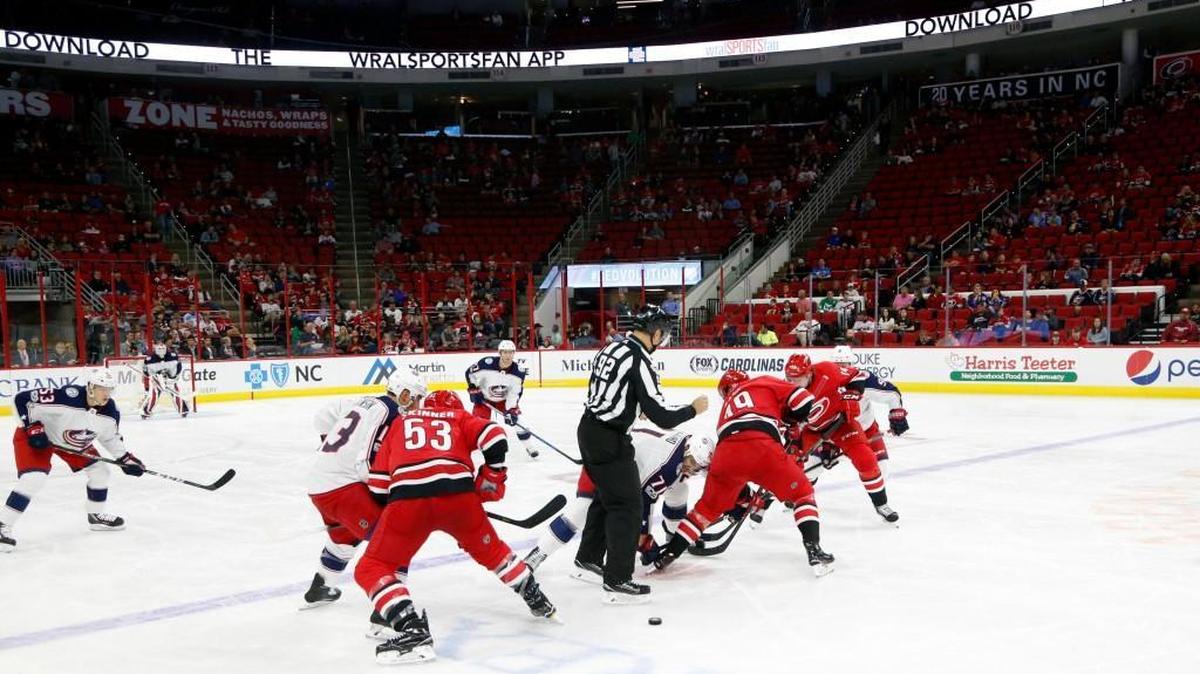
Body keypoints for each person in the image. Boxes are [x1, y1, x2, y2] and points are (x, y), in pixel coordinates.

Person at [354, 390, 556, 665]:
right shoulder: (459, 417)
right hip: (459, 497)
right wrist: (491, 477)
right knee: (493, 552)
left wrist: (405, 502)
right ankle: (536, 598)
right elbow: (495, 436)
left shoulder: (401, 422)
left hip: (408, 501)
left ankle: (412, 629)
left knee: (372, 566)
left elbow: (379, 488)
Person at [576, 305, 707, 603]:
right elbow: (662, 416)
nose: (663, 341)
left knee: (606, 498)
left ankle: (588, 557)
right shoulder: (640, 360)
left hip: (588, 430)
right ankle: (618, 580)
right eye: (664, 335)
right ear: (656, 333)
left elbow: (611, 389)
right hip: (610, 439)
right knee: (627, 506)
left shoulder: (611, 348)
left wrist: (634, 406)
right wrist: (692, 409)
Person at [652, 369, 835, 576]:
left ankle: (669, 554)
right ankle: (813, 548)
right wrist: (796, 420)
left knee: (705, 510)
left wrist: (739, 496)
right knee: (802, 493)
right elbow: (804, 399)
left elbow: (740, 450)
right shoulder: (762, 381)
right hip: (763, 447)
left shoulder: (727, 408)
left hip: (725, 454)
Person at [302, 370, 426, 627]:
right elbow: (365, 465)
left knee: (346, 536)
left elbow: (323, 416)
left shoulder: (364, 401)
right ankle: (387, 616)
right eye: (416, 399)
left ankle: (321, 586)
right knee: (398, 537)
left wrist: (331, 453)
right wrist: (394, 490)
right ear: (404, 395)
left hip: (319, 482)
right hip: (342, 487)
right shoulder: (390, 413)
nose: (418, 406)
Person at [524, 430, 714, 575]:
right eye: (692, 463)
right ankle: (538, 554)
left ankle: (673, 537)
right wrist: (644, 540)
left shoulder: (686, 445)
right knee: (582, 510)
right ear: (687, 450)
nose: (692, 469)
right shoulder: (666, 465)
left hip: (627, 461)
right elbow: (642, 502)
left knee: (680, 488)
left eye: (697, 467)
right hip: (606, 461)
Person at [0, 369, 145, 552]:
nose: (106, 394)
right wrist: (32, 428)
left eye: (109, 389)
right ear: (90, 387)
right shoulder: (67, 397)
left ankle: (96, 516)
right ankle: (2, 525)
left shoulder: (111, 412)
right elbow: (21, 399)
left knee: (100, 471)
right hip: (38, 437)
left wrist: (125, 459)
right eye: (102, 388)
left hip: (71, 442)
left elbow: (110, 438)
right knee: (33, 478)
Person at [784, 354, 899, 523]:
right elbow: (790, 426)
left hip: (842, 425)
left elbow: (857, 376)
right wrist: (794, 444)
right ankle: (795, 495)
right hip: (814, 431)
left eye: (797, 379)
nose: (792, 383)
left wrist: (852, 394)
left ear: (809, 374)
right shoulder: (785, 391)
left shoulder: (827, 370)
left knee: (866, 460)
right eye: (789, 378)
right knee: (806, 467)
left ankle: (881, 504)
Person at [805, 348, 907, 476]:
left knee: (880, 471)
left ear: (851, 364)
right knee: (810, 472)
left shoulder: (863, 379)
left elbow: (892, 394)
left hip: (866, 430)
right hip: (832, 433)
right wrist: (824, 446)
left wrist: (897, 415)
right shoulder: (823, 382)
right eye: (837, 365)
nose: (842, 369)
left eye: (844, 365)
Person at [465, 340, 536, 459]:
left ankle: (529, 447)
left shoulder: (518, 372)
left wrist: (511, 410)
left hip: (504, 400)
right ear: (500, 353)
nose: (508, 355)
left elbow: (514, 393)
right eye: (505, 352)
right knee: (476, 425)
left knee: (518, 421)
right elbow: (469, 373)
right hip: (484, 399)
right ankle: (467, 449)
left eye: (511, 352)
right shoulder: (486, 364)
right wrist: (474, 389)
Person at [139, 342, 190, 418]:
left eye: (163, 349)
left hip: (170, 380)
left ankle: (183, 409)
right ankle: (146, 411)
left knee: (175, 393)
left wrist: (173, 377)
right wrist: (154, 376)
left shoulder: (173, 356)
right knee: (154, 395)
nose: (161, 351)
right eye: (159, 349)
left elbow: (178, 367)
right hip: (157, 380)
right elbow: (146, 371)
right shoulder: (150, 359)